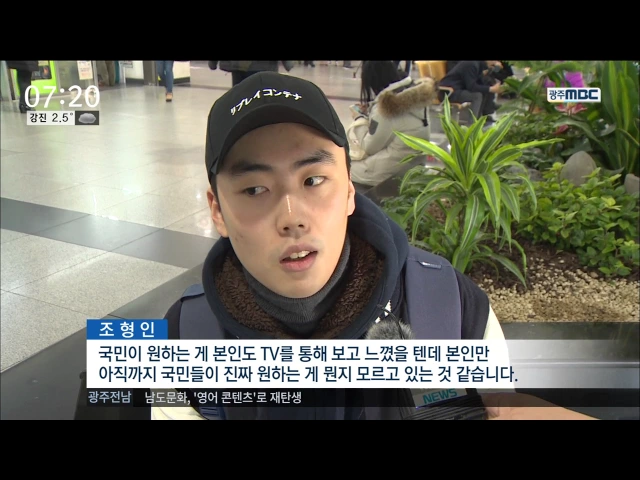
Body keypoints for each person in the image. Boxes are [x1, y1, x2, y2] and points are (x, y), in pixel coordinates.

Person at [150, 71, 594, 421]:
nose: (292, 217)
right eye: (254, 190)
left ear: (349, 189)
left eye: (313, 180)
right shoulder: (184, 336)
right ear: (217, 210)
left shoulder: (451, 308)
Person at [348, 60, 437, 187]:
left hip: (389, 172)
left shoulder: (387, 108)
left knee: (344, 167)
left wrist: (359, 118)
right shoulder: (413, 96)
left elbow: (369, 147)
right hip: (413, 166)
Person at [438, 60, 504, 122]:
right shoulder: (472, 64)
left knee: (484, 89)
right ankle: (472, 125)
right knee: (477, 96)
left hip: (458, 89)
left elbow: (480, 82)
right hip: (448, 92)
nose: (495, 62)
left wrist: (491, 71)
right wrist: (491, 89)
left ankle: (479, 119)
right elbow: (471, 87)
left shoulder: (478, 64)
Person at [207, 61, 294, 86]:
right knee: (261, 100)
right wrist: (288, 63)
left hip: (238, 66)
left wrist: (212, 63)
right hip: (263, 67)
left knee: (239, 97)